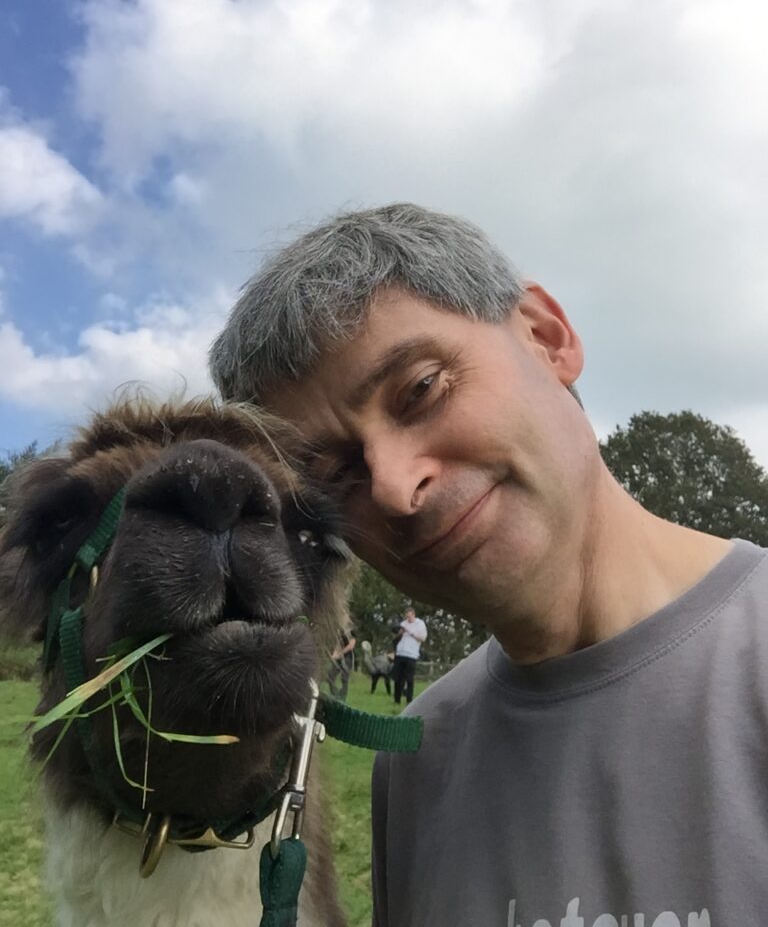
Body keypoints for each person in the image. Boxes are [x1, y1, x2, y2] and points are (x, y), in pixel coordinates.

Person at [210, 203, 768, 926]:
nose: (394, 486)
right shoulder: (415, 758)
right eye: (335, 473)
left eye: (421, 390)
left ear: (547, 336)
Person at [391, 606, 427, 705]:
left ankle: (409, 700)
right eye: (407, 617)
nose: (408, 619)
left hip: (411, 655)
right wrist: (400, 633)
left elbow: (423, 638)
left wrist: (410, 632)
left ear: (413, 615)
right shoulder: (403, 624)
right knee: (398, 678)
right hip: (400, 653)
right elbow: (395, 638)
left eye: (410, 617)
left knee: (409, 678)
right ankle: (397, 699)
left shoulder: (420, 624)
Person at [327, 624, 356, 701]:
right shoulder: (340, 630)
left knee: (344, 678)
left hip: (348, 658)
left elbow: (351, 646)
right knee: (330, 675)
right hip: (339, 658)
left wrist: (340, 654)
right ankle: (335, 694)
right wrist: (334, 654)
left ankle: (342, 698)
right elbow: (338, 644)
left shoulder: (352, 631)